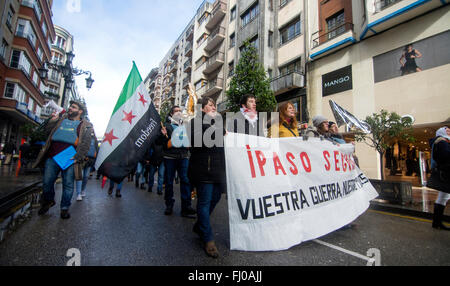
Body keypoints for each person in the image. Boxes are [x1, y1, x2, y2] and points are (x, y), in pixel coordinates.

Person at [33, 101, 93, 219]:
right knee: (47, 182)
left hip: (70, 158)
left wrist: (78, 157)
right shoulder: (61, 119)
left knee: (68, 185)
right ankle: (48, 201)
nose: (70, 108)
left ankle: (64, 208)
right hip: (53, 156)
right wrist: (52, 120)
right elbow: (47, 132)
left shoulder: (86, 125)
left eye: (73, 107)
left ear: (80, 111)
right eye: (70, 106)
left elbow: (86, 143)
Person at [187, 96, 226, 258]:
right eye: (210, 105)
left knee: (216, 198)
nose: (214, 107)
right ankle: (208, 240)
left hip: (217, 170)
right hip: (202, 170)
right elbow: (198, 143)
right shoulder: (194, 123)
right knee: (204, 202)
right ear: (202, 109)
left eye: (214, 105)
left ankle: (200, 225)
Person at [159, 106, 196, 217]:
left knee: (185, 181)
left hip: (184, 156)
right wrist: (163, 136)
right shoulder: (166, 126)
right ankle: (169, 205)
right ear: (171, 114)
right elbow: (162, 143)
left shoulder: (185, 126)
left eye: (180, 111)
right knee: (169, 182)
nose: (179, 113)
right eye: (176, 111)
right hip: (170, 157)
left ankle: (186, 207)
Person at [427, 126, 450, 231]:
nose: (449, 132)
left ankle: (437, 222)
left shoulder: (441, 142)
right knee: (443, 197)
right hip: (446, 173)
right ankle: (437, 222)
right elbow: (446, 156)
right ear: (441, 132)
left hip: (445, 172)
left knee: (443, 197)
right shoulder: (442, 142)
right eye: (447, 131)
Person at [75, 134, 98, 201]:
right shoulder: (81, 135)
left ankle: (82, 190)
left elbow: (96, 148)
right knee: (80, 176)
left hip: (89, 160)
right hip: (81, 159)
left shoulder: (94, 138)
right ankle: (78, 193)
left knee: (86, 176)